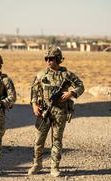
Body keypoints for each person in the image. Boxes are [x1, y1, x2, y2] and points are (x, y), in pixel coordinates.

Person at [28, 46, 84, 177]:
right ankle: (37, 164)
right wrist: (34, 106)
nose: (48, 61)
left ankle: (54, 167)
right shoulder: (41, 75)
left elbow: (81, 86)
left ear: (58, 59)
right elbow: (34, 91)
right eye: (46, 58)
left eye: (51, 59)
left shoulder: (66, 74)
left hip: (60, 112)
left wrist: (71, 93)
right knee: (38, 139)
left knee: (57, 140)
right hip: (44, 112)